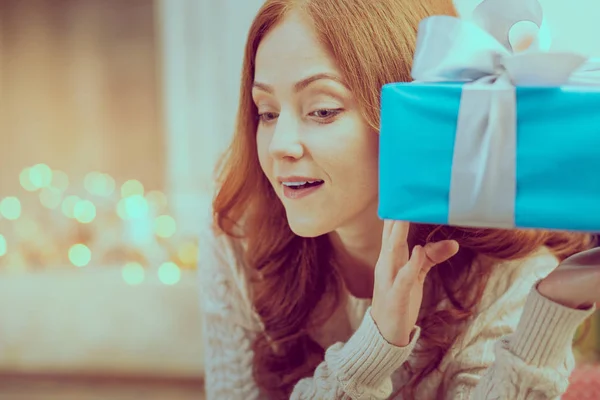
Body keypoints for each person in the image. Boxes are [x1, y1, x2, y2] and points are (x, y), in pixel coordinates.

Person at [198, 0, 600, 398]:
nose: (279, 146)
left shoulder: (504, 268)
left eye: (322, 110)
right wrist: (373, 349)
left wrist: (552, 308)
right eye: (267, 112)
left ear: (410, 115)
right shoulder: (239, 235)